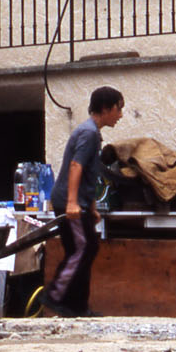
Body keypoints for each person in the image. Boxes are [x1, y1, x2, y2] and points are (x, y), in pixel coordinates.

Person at [43, 86, 123, 317]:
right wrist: (72, 203)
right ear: (105, 109)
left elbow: (89, 172)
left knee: (86, 248)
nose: (120, 115)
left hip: (80, 202)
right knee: (82, 248)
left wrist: (93, 206)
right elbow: (76, 166)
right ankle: (56, 295)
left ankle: (77, 308)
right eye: (118, 109)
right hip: (71, 202)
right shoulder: (88, 133)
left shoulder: (92, 133)